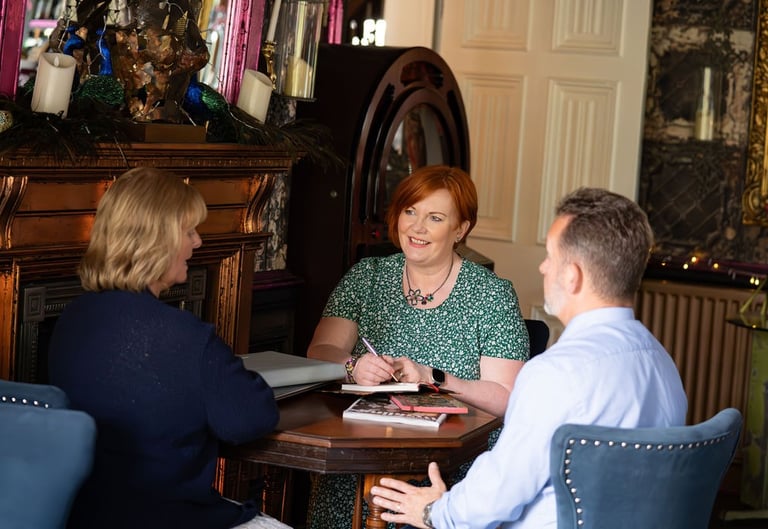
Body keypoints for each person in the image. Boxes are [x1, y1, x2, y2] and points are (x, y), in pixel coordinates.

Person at [370, 187, 688, 528]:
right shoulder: (663, 364)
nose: (542, 267)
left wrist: (434, 511)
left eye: (550, 255)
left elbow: (493, 501)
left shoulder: (555, 375)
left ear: (573, 275)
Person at [47, 167, 288, 529]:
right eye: (188, 231)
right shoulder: (185, 336)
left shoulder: (71, 319)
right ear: (155, 240)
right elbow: (250, 418)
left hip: (81, 516)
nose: (198, 243)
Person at [306, 165, 530, 528]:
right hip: (362, 453)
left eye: (435, 217)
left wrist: (434, 377)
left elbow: (507, 397)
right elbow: (321, 350)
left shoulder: (492, 294)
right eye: (410, 211)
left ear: (461, 229)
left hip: (453, 467)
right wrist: (354, 364)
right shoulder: (367, 276)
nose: (417, 227)